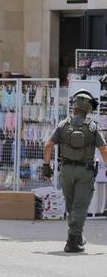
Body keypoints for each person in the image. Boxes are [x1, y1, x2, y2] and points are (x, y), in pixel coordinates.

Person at [42, 89, 107, 252]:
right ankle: (72, 241)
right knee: (80, 206)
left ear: (75, 106)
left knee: (71, 205)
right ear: (88, 108)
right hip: (84, 172)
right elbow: (104, 149)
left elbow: (48, 145)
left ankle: (77, 236)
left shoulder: (63, 125)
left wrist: (46, 167)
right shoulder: (92, 126)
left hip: (66, 170)